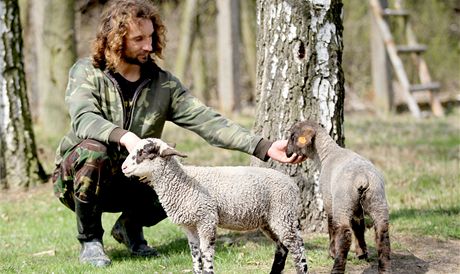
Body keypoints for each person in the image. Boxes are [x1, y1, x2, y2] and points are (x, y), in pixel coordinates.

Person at [52, 0, 305, 268]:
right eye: (138, 39)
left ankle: (129, 226)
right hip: (83, 178)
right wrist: (127, 137)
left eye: (151, 36)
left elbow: (207, 121)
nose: (148, 46)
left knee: (177, 174)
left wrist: (263, 146)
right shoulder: (86, 72)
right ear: (115, 39)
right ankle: (90, 239)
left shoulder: (164, 84)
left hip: (138, 177)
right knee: (95, 151)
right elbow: (83, 118)